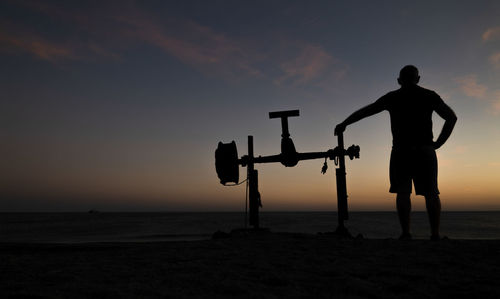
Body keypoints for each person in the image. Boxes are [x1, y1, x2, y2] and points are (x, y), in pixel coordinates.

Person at [334, 65, 457, 240]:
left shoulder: (393, 98)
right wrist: (438, 143)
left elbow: (367, 110)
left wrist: (345, 123)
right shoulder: (429, 95)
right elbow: (451, 117)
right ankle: (435, 235)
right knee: (431, 192)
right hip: (425, 150)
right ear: (418, 79)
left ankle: (406, 234)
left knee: (403, 192)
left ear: (399, 80)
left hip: (401, 151)